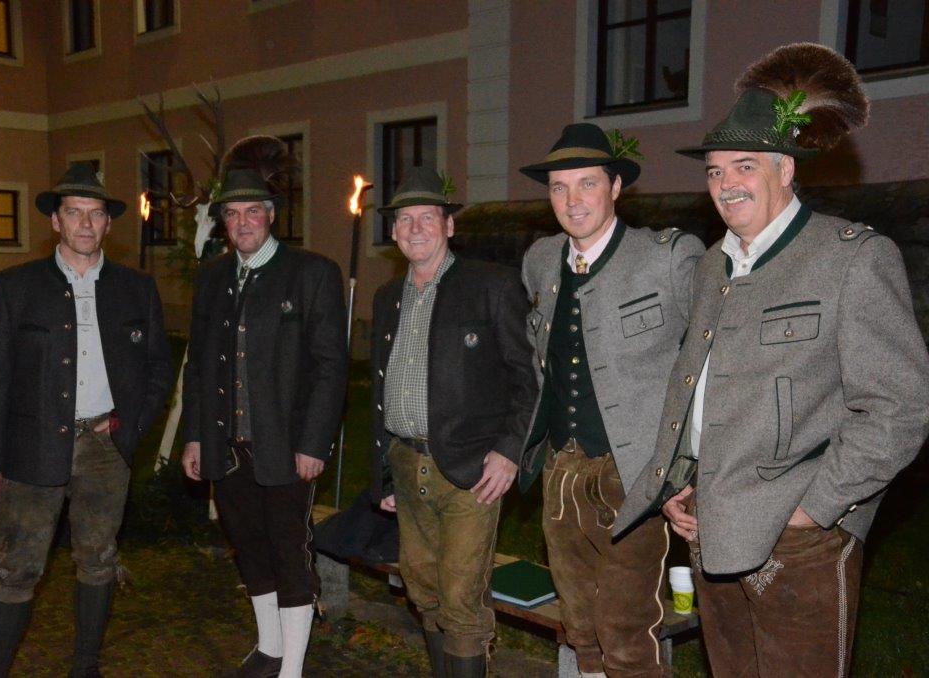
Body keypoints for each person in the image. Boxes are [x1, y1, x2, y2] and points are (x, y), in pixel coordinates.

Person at [613, 43, 929, 676]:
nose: (726, 184)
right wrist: (678, 478)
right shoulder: (713, 264)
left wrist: (816, 508)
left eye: (744, 166)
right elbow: (699, 382)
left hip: (800, 541)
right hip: (710, 525)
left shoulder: (851, 258)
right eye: (714, 171)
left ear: (785, 169)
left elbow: (900, 408)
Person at [0, 162, 173, 677]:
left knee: (98, 558)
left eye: (95, 213)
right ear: (55, 221)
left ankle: (86, 667)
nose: (85, 223)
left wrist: (130, 425)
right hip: (31, 445)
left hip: (105, 447)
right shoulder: (16, 287)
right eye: (74, 212)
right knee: (17, 565)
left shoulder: (136, 289)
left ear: (108, 223)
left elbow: (157, 370)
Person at [517, 124, 703, 678]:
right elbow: (541, 357)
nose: (572, 200)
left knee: (626, 634)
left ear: (616, 187)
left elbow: (706, 365)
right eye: (559, 187)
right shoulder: (540, 259)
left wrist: (686, 467)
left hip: (635, 476)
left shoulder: (668, 258)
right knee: (581, 629)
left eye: (587, 184)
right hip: (561, 470)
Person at [180, 136, 347, 678]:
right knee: (248, 546)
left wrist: (314, 443)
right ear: (223, 222)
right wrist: (194, 435)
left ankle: (291, 668)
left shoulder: (311, 273)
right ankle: (269, 647)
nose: (243, 222)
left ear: (272, 215)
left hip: (286, 446)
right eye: (232, 214)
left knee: (287, 550)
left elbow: (330, 367)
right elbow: (199, 365)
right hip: (226, 446)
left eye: (253, 211)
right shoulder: (212, 278)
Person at [368, 166, 537, 678]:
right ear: (394, 232)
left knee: (461, 598)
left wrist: (510, 451)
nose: (416, 228)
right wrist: (384, 473)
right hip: (406, 465)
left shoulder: (491, 285)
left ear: (449, 225)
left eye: (428, 217)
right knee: (423, 589)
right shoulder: (387, 298)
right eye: (405, 219)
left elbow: (529, 377)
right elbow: (378, 390)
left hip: (471, 470)